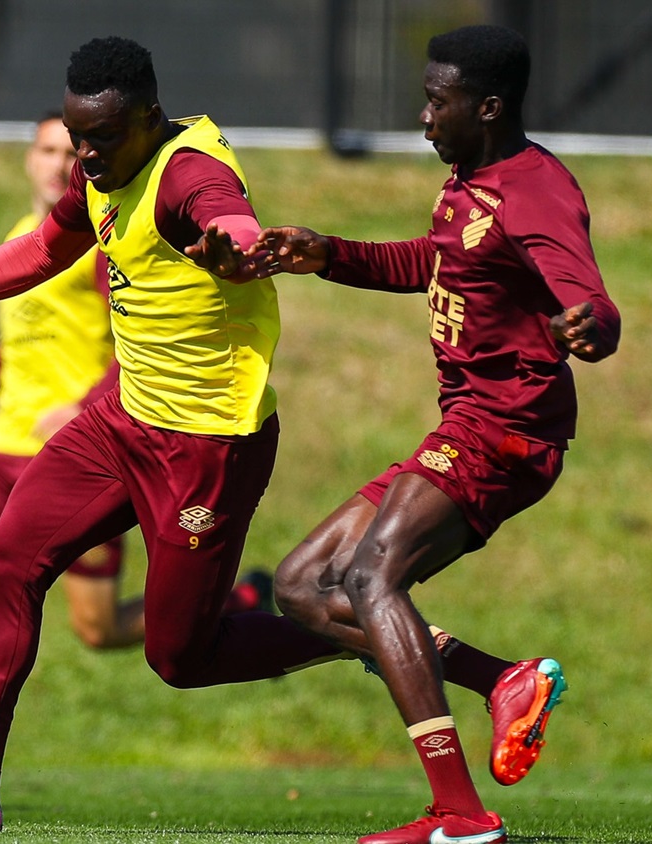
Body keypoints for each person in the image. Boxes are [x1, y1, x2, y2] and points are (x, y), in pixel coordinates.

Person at [0, 37, 543, 836]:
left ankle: (353, 638)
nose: (86, 155)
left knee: (181, 660)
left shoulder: (190, 173)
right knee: (6, 559)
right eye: (78, 137)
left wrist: (238, 248)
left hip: (207, 448)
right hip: (120, 422)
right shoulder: (101, 168)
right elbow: (47, 248)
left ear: (149, 118)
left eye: (103, 137)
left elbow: (231, 219)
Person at [256, 25, 621, 844]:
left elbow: (589, 295)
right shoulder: (467, 181)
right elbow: (436, 260)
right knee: (306, 586)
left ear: (486, 107)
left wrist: (591, 326)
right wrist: (327, 254)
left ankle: (460, 814)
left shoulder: (536, 188)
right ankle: (502, 681)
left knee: (375, 575)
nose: (424, 117)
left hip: (509, 430)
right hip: (466, 424)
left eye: (436, 101)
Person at [0, 113, 279, 767]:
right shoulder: (46, 223)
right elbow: (17, 338)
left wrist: (84, 403)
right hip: (20, 444)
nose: (71, 159)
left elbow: (205, 235)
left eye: (82, 145)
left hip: (159, 435)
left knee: (126, 637)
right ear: (31, 156)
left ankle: (271, 615)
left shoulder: (155, 194)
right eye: (56, 147)